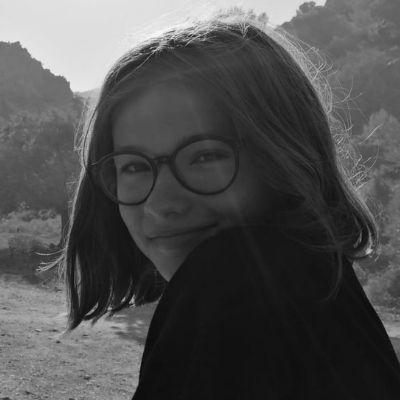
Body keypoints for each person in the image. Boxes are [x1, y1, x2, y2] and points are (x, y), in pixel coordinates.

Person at [58, 10, 400, 399]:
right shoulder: (322, 288)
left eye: (205, 156)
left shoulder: (231, 281)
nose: (161, 203)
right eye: (134, 166)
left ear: (283, 156)